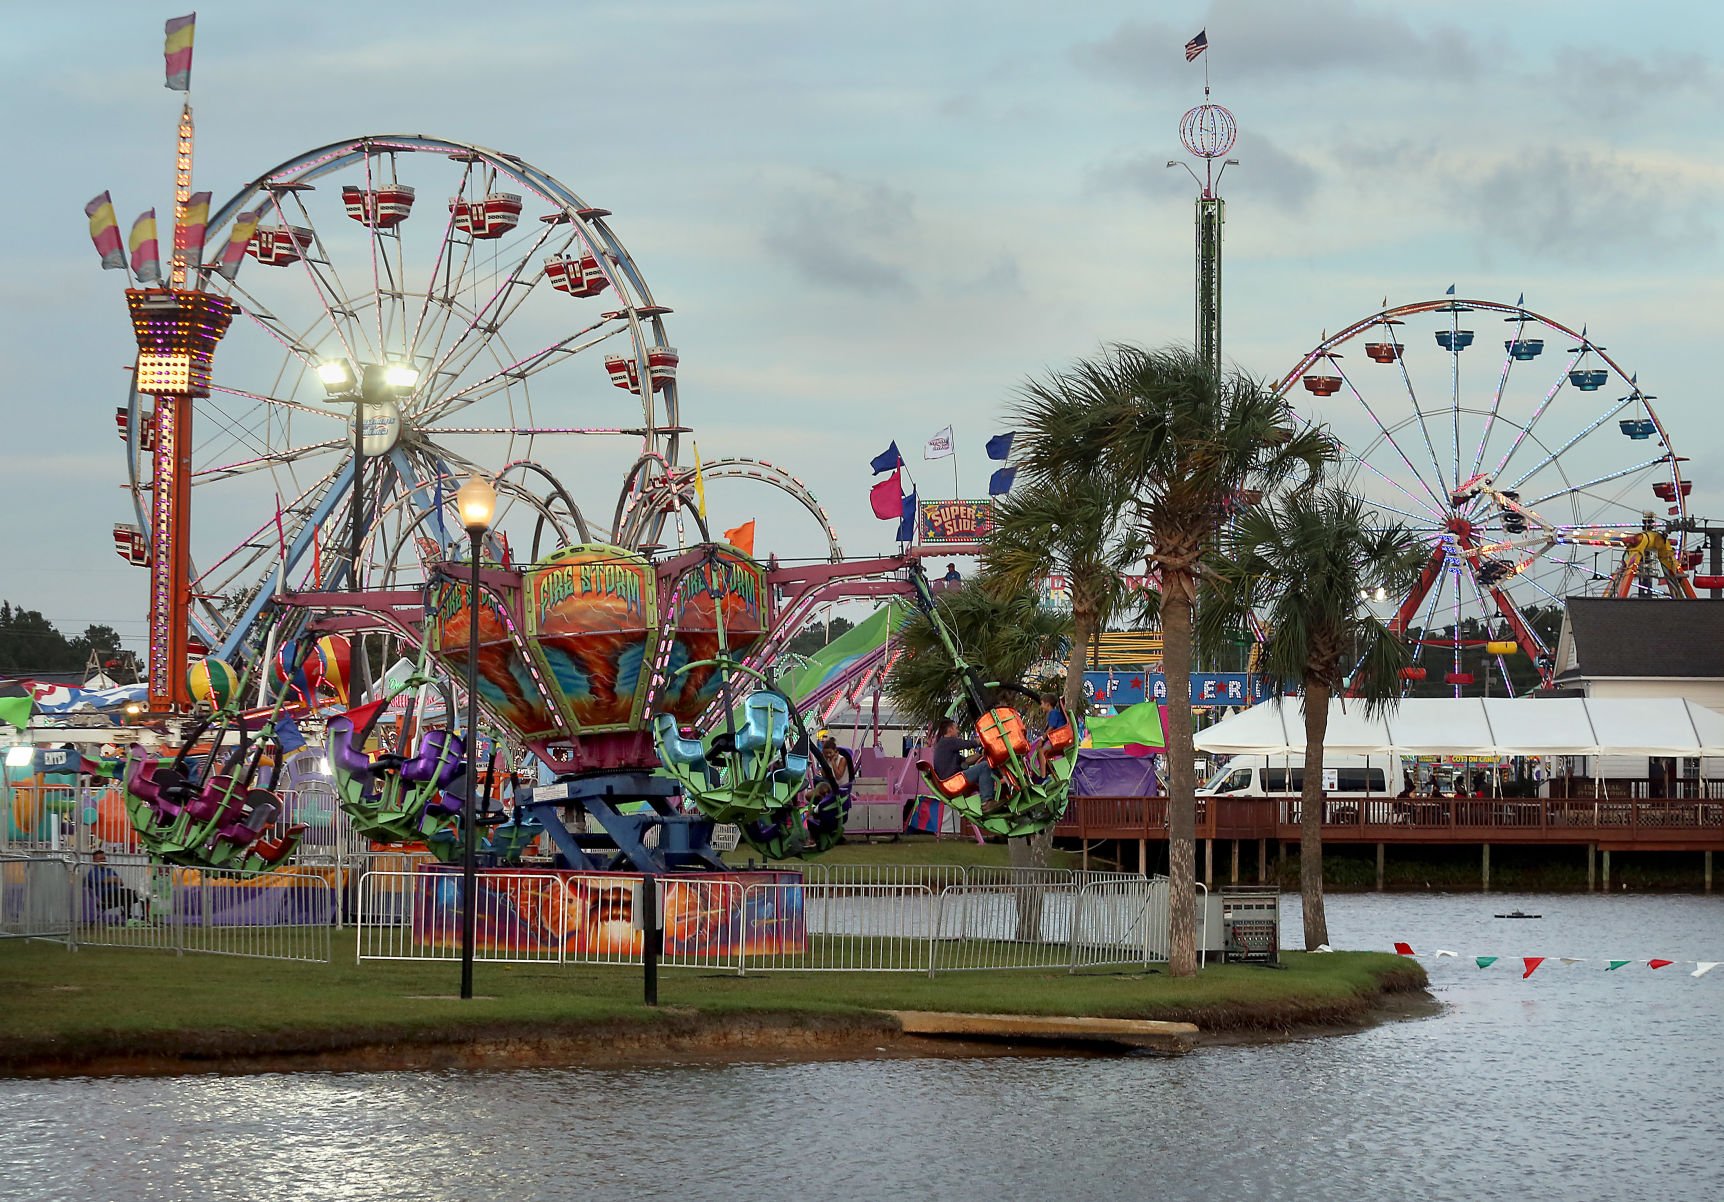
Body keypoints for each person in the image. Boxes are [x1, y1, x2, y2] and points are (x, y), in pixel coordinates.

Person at [931, 717, 993, 807]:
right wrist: (986, 738)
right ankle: (986, 801)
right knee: (985, 766)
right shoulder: (948, 741)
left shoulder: (944, 745)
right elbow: (969, 744)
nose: (958, 731)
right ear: (950, 729)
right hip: (952, 781)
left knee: (982, 767)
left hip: (951, 780)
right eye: (956, 728)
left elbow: (966, 761)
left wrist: (981, 753)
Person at [83, 850, 142, 923]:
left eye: (104, 858)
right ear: (94, 860)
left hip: (115, 893)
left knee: (132, 894)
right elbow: (104, 881)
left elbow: (121, 883)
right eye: (101, 859)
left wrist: (112, 879)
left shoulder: (109, 870)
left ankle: (127, 915)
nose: (103, 860)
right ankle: (127, 916)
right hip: (104, 896)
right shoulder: (93, 872)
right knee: (128, 894)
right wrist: (114, 879)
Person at [1029, 694, 1068, 779]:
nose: (1041, 706)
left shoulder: (1053, 713)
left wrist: (1042, 739)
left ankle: (1042, 775)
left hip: (1058, 739)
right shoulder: (1054, 713)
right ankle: (1044, 771)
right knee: (1041, 751)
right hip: (1057, 738)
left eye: (1042, 704)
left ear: (1047, 704)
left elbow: (1051, 727)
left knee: (1041, 751)